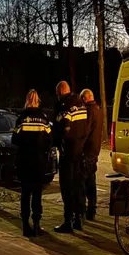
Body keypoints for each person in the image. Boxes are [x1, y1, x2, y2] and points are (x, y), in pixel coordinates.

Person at [12, 90, 52, 237]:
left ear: (27, 100)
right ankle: (36, 224)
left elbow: (14, 140)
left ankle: (25, 225)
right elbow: (49, 140)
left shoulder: (21, 118)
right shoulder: (43, 118)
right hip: (39, 161)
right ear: (38, 101)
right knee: (37, 194)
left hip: (24, 161)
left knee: (25, 193)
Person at [52, 81, 88, 233]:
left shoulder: (64, 106)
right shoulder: (81, 104)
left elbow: (65, 126)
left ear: (60, 93)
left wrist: (58, 139)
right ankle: (79, 219)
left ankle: (68, 221)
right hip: (80, 151)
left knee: (67, 187)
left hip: (68, 152)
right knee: (78, 185)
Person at [80, 89, 103, 221]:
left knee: (84, 182)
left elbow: (86, 131)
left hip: (87, 150)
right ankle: (92, 210)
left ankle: (83, 211)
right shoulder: (98, 110)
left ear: (85, 98)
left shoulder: (89, 111)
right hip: (95, 150)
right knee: (91, 181)